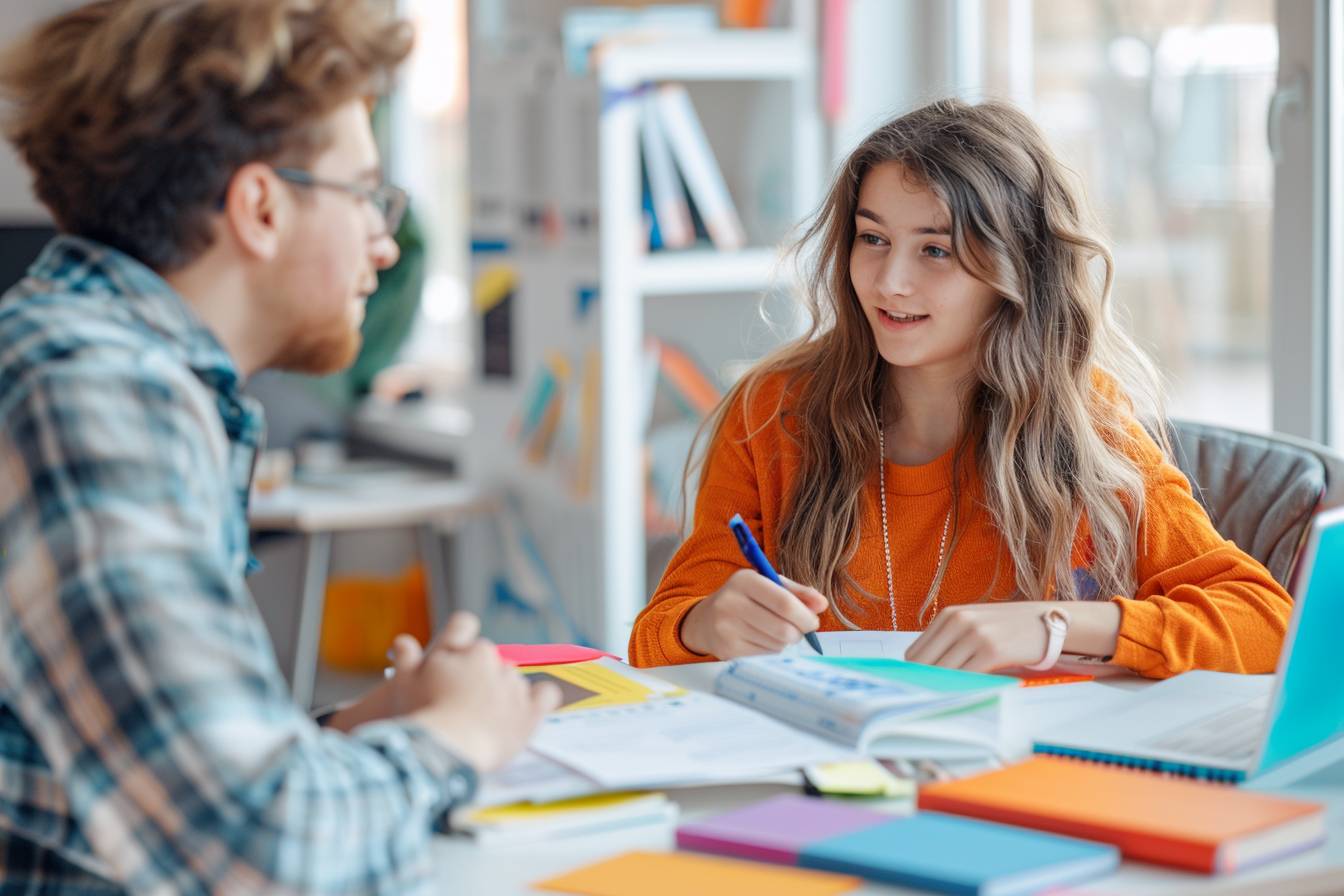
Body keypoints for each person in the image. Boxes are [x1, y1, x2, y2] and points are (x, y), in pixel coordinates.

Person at [0, 1, 559, 892]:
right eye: (368, 195)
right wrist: (454, 737)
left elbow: (143, 764)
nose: (384, 242)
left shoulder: (114, 369)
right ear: (260, 206)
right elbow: (256, 853)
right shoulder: (88, 393)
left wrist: (353, 734)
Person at [628, 99, 1292, 678]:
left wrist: (1053, 627)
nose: (890, 282)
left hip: (1033, 779)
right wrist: (706, 624)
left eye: (935, 251)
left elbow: (1265, 620)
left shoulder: (1084, 419)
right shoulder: (774, 412)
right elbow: (656, 636)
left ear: (1014, 270)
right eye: (873, 239)